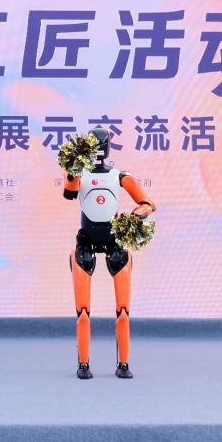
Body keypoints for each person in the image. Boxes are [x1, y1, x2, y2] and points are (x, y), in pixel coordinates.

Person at [62, 127, 155, 379]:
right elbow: (69, 193)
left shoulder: (120, 176)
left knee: (123, 309)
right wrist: (72, 169)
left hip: (115, 241)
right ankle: (83, 364)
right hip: (86, 240)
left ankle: (123, 364)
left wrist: (136, 217)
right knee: (83, 310)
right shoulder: (80, 174)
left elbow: (147, 204)